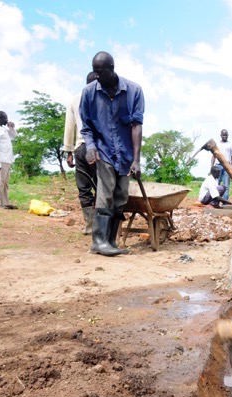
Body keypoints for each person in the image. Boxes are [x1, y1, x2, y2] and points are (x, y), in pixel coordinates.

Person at [80, 51, 144, 257]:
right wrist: (90, 146)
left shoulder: (133, 91)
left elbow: (136, 126)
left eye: (100, 72)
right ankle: (98, 241)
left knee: (121, 197)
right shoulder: (89, 92)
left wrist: (136, 159)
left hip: (125, 155)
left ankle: (111, 241)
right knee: (105, 195)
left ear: (112, 69)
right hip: (104, 150)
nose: (96, 76)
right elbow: (86, 126)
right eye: (94, 72)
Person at [63, 71, 98, 235]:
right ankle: (102, 225)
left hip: (80, 148)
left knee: (84, 188)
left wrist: (69, 152)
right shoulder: (103, 98)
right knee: (102, 187)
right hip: (99, 149)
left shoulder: (74, 99)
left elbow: (69, 127)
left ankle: (89, 225)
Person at [210, 129, 232, 200]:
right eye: (223, 135)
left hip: (227, 166)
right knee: (215, 184)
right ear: (220, 135)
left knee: (226, 186)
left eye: (226, 135)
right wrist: (211, 167)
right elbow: (213, 156)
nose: (224, 136)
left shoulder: (231, 144)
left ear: (228, 135)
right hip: (218, 166)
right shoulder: (217, 144)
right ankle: (214, 201)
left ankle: (225, 203)